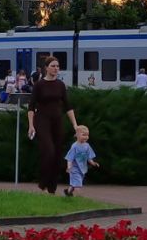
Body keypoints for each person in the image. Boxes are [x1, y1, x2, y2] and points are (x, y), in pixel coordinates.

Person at [28, 56, 80, 194]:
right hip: (42, 120)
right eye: (53, 66)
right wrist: (31, 126)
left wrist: (75, 125)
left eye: (57, 66)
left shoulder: (60, 85)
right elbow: (31, 107)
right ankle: (42, 184)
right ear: (46, 68)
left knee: (57, 154)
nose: (56, 68)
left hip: (57, 121)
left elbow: (68, 106)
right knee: (49, 150)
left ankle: (52, 188)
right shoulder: (39, 85)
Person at [64, 125, 98, 197]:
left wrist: (93, 163)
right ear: (77, 135)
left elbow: (89, 157)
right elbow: (70, 158)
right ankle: (80, 198)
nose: (86, 137)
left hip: (82, 169)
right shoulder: (75, 146)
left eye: (87, 135)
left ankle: (68, 193)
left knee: (74, 184)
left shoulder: (87, 146)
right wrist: (69, 167)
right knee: (78, 185)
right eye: (84, 135)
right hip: (74, 169)